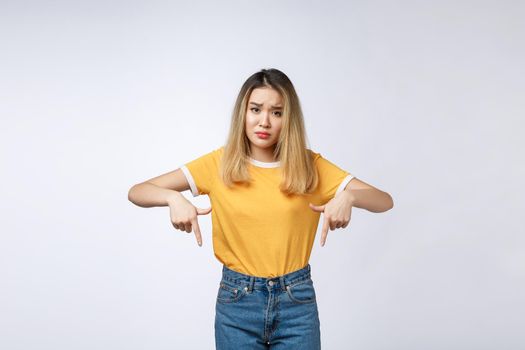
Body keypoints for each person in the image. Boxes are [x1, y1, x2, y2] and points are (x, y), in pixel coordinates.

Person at [128, 68, 394, 349]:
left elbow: (384, 200)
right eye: (255, 109)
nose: (264, 121)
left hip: (297, 304)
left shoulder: (309, 166)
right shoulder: (219, 164)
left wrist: (350, 198)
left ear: (288, 119)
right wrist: (173, 198)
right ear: (243, 112)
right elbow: (138, 191)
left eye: (277, 112)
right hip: (237, 303)